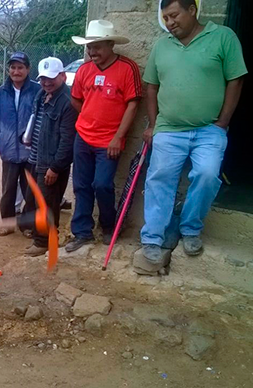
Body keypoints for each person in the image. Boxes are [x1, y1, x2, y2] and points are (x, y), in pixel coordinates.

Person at [140, 0, 247, 263]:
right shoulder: (162, 45)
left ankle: (190, 228)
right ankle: (152, 237)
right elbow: (151, 87)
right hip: (169, 128)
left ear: (192, 10)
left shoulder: (222, 37)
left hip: (208, 129)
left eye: (174, 15)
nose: (170, 22)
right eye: (165, 18)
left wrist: (223, 121)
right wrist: (153, 124)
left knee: (208, 175)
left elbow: (236, 79)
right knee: (159, 179)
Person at [66, 20, 142, 252]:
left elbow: (133, 104)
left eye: (97, 46)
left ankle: (109, 226)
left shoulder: (127, 68)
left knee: (102, 185)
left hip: (109, 141)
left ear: (111, 45)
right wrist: (90, 118)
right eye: (89, 47)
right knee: (81, 185)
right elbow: (76, 99)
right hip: (83, 138)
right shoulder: (84, 70)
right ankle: (82, 232)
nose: (92, 51)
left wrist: (119, 136)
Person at [24, 58, 78, 256]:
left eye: (51, 79)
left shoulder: (67, 102)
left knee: (47, 203)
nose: (47, 83)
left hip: (51, 163)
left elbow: (67, 139)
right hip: (37, 158)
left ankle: (43, 242)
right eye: (43, 79)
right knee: (38, 200)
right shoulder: (42, 94)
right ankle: (42, 237)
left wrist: (55, 167)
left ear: (63, 76)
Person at [0, 52, 40, 236]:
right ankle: (8, 224)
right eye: (13, 67)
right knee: (8, 191)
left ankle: (27, 226)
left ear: (28, 69)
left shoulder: (37, 91)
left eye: (20, 67)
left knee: (30, 191)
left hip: (30, 151)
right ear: (8, 69)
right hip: (8, 150)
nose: (16, 71)